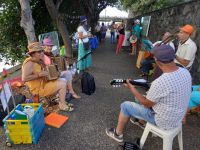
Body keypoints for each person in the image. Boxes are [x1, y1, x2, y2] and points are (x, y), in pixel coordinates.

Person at [106, 44, 191, 143]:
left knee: (125, 106)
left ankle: (117, 134)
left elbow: (146, 103)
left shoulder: (161, 82)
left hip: (163, 121)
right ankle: (141, 122)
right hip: (177, 117)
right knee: (140, 98)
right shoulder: (185, 72)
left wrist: (131, 88)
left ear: (157, 61)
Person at [22, 42, 73, 112]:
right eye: (39, 52)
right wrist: (39, 75)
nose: (42, 53)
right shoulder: (29, 63)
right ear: (33, 53)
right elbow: (24, 78)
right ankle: (62, 105)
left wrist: (54, 74)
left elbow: (44, 72)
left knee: (63, 80)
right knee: (62, 83)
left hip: (44, 84)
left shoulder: (38, 60)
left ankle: (62, 102)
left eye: (42, 51)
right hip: (38, 89)